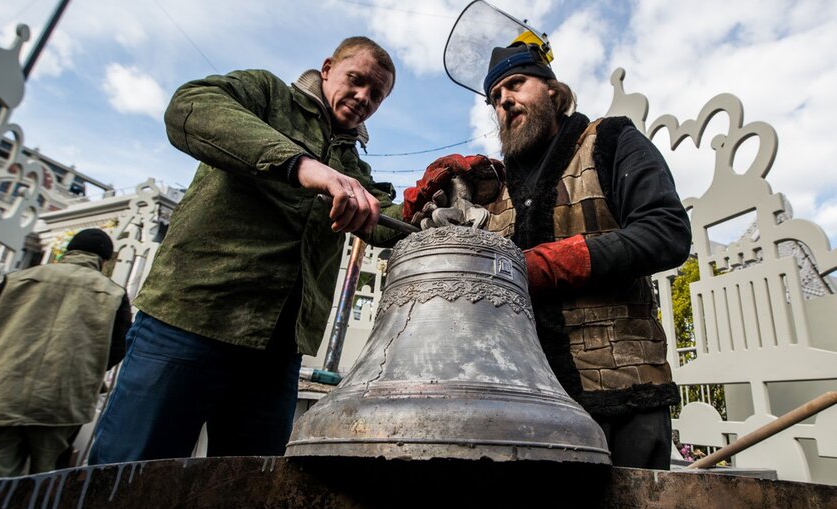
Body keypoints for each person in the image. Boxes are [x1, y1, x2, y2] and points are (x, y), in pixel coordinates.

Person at [88, 37, 402, 464]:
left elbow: (385, 219)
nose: (364, 97)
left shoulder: (353, 167)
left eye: (376, 94)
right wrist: (302, 165)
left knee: (247, 496)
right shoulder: (267, 96)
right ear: (327, 68)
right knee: (128, 475)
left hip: (276, 353)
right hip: (193, 319)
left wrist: (429, 201)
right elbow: (190, 106)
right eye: (357, 80)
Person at [403, 43, 692, 469]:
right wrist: (440, 210)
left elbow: (665, 231)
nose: (504, 100)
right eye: (494, 97)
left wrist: (541, 266)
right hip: (525, 404)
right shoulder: (496, 191)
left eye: (516, 84)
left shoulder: (610, 141)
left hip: (623, 395)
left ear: (554, 92)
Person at [0, 229, 130, 479]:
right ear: (103, 261)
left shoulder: (17, 279)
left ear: (68, 252)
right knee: (45, 481)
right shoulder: (112, 293)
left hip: (0, 392)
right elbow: (117, 349)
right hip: (63, 400)